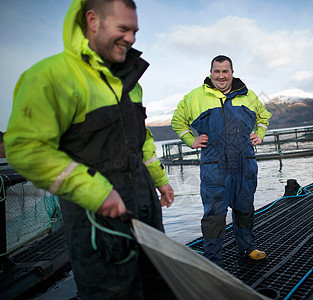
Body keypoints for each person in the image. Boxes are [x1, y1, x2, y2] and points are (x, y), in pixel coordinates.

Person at [4, 0, 175, 298]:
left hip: (147, 216)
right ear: (93, 20)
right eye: (123, 28)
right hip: (98, 228)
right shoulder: (50, 76)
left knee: (159, 288)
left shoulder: (129, 80)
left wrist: (160, 181)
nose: (132, 38)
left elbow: (141, 139)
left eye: (134, 31)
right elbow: (26, 149)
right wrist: (94, 191)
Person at [171, 55, 272, 266]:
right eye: (217, 71)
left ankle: (247, 248)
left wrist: (259, 134)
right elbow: (178, 121)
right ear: (210, 73)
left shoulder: (249, 96)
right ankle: (212, 261)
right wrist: (191, 140)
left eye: (225, 71)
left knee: (245, 208)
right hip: (214, 167)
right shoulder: (194, 97)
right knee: (214, 214)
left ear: (232, 73)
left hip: (245, 164)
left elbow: (264, 117)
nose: (221, 76)